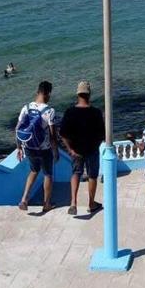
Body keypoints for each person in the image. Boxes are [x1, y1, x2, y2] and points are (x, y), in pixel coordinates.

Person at [59, 80, 105, 216]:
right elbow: (102, 133)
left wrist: (70, 149)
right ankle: (91, 203)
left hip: (76, 150)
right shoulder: (96, 112)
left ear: (77, 94)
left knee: (76, 173)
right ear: (89, 94)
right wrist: (96, 145)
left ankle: (73, 202)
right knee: (92, 176)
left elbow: (63, 134)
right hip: (91, 149)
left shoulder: (70, 112)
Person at [15, 80, 58, 213]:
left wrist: (18, 147)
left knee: (33, 171)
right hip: (44, 149)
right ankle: (46, 204)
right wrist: (55, 150)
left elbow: (17, 129)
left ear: (37, 91)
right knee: (48, 174)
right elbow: (52, 135)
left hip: (29, 147)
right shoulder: (49, 111)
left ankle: (24, 199)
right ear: (48, 94)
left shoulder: (26, 107)